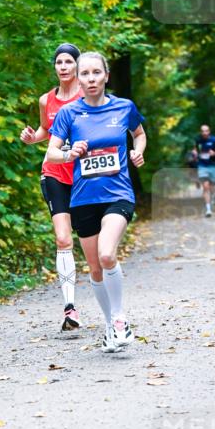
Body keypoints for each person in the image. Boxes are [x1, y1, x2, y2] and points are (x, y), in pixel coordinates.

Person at [46, 51, 146, 354]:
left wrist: (137, 151)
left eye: (96, 73)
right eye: (85, 74)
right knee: (95, 269)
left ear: (106, 76)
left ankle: (120, 319)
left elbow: (139, 134)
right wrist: (70, 153)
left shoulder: (124, 107)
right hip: (83, 199)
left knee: (106, 255)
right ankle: (110, 327)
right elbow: (51, 153)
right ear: (79, 79)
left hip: (118, 194)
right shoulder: (69, 113)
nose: (91, 79)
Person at [20, 43, 83, 332]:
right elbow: (47, 130)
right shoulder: (47, 99)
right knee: (62, 239)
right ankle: (70, 308)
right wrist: (32, 138)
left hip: (85, 175)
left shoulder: (88, 95)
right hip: (55, 172)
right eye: (59, 62)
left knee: (94, 243)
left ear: (77, 65)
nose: (63, 67)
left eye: (69, 61)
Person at [191, 124, 215, 217]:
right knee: (205, 187)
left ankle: (213, 196)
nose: (204, 133)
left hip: (213, 165)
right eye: (203, 131)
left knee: (212, 186)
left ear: (209, 131)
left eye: (206, 131)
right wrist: (194, 153)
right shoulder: (198, 140)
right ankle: (208, 209)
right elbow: (195, 149)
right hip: (202, 165)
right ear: (200, 132)